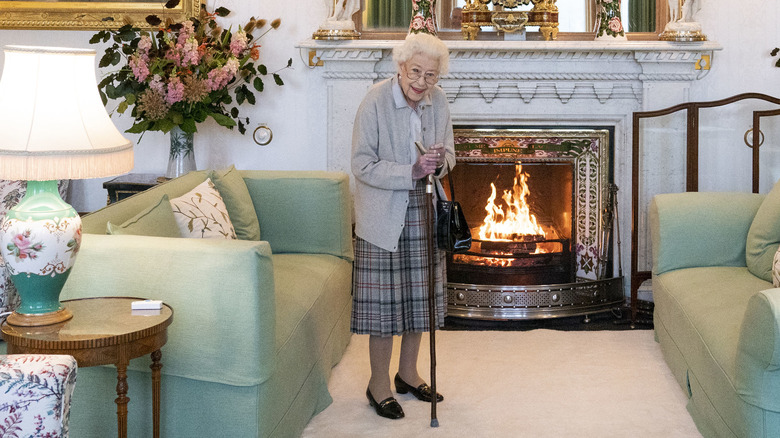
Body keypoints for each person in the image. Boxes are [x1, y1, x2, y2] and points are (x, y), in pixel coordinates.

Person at [350, 32, 454, 420]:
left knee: (418, 301)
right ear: (400, 66)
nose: (421, 83)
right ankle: (378, 384)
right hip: (382, 215)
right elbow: (361, 164)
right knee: (384, 309)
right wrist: (410, 170)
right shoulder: (376, 100)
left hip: (425, 209)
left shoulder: (438, 101)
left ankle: (407, 374)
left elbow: (451, 155)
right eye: (415, 72)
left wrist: (439, 161)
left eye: (430, 76)